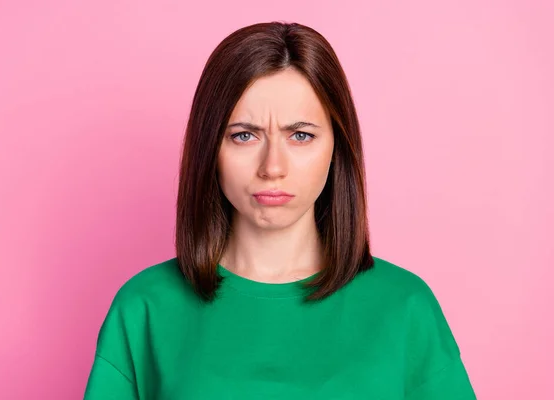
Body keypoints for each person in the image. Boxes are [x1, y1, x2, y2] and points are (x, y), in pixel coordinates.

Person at [83, 21, 476, 399]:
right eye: (244, 135)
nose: (273, 167)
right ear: (210, 150)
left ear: (336, 149)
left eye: (300, 135)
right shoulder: (144, 308)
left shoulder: (405, 308)